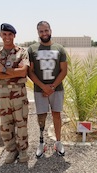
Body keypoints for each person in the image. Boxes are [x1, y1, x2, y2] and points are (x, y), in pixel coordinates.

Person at [0, 23, 30, 164]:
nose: (7, 37)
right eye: (4, 34)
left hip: (19, 92)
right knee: (6, 125)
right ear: (1, 35)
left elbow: (24, 72)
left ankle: (23, 150)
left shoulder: (22, 52)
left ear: (14, 36)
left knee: (21, 123)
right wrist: (14, 72)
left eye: (10, 34)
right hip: (3, 94)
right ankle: (11, 151)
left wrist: (4, 71)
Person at [28, 21, 67, 157]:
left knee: (57, 114)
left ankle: (58, 142)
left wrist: (52, 87)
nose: (44, 34)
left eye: (46, 30)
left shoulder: (59, 48)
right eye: (41, 31)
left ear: (51, 30)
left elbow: (63, 71)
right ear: (38, 33)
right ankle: (41, 142)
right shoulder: (32, 49)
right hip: (40, 90)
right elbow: (30, 71)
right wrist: (43, 86)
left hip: (57, 89)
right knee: (41, 116)